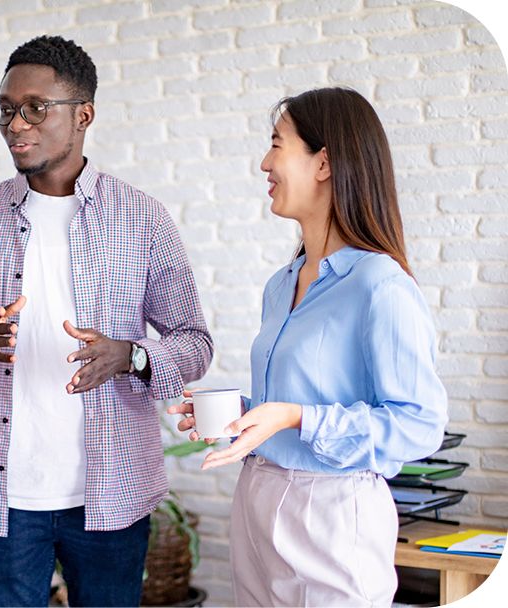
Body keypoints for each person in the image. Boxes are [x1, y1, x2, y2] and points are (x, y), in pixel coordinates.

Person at [0, 35, 213, 607]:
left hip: (111, 494)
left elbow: (194, 344)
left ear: (83, 115)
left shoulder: (142, 219)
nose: (15, 124)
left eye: (34, 108)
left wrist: (130, 355)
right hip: (3, 498)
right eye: (6, 109)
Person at [170, 87, 448, 606]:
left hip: (332, 515)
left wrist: (297, 418)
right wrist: (245, 415)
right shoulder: (281, 284)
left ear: (324, 163)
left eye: (277, 144)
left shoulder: (380, 286)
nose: (264, 162)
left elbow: (419, 423)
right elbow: (295, 401)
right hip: (256, 500)